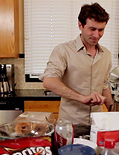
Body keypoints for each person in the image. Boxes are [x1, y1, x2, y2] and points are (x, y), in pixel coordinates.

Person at [39, 2, 114, 137]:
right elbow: (49, 81)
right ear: (80, 25)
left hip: (97, 126)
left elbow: (104, 84)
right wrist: (82, 98)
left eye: (101, 30)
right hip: (70, 126)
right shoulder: (63, 50)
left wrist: (114, 113)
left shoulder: (106, 55)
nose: (96, 35)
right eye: (92, 29)